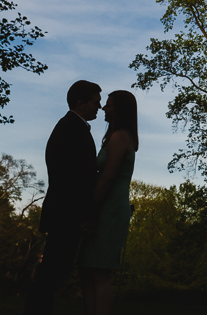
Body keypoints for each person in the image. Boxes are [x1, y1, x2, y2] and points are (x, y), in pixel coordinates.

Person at [24, 80, 102, 315]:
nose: (98, 107)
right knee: (52, 275)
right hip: (67, 215)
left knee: (52, 274)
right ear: (81, 103)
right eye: (95, 102)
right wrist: (85, 215)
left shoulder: (70, 127)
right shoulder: (72, 130)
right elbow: (75, 179)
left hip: (64, 212)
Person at [79, 89, 138, 315]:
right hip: (105, 207)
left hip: (110, 209)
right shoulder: (115, 136)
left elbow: (107, 177)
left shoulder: (121, 136)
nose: (104, 108)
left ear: (120, 110)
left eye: (109, 105)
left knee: (99, 272)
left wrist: (89, 209)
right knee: (88, 270)